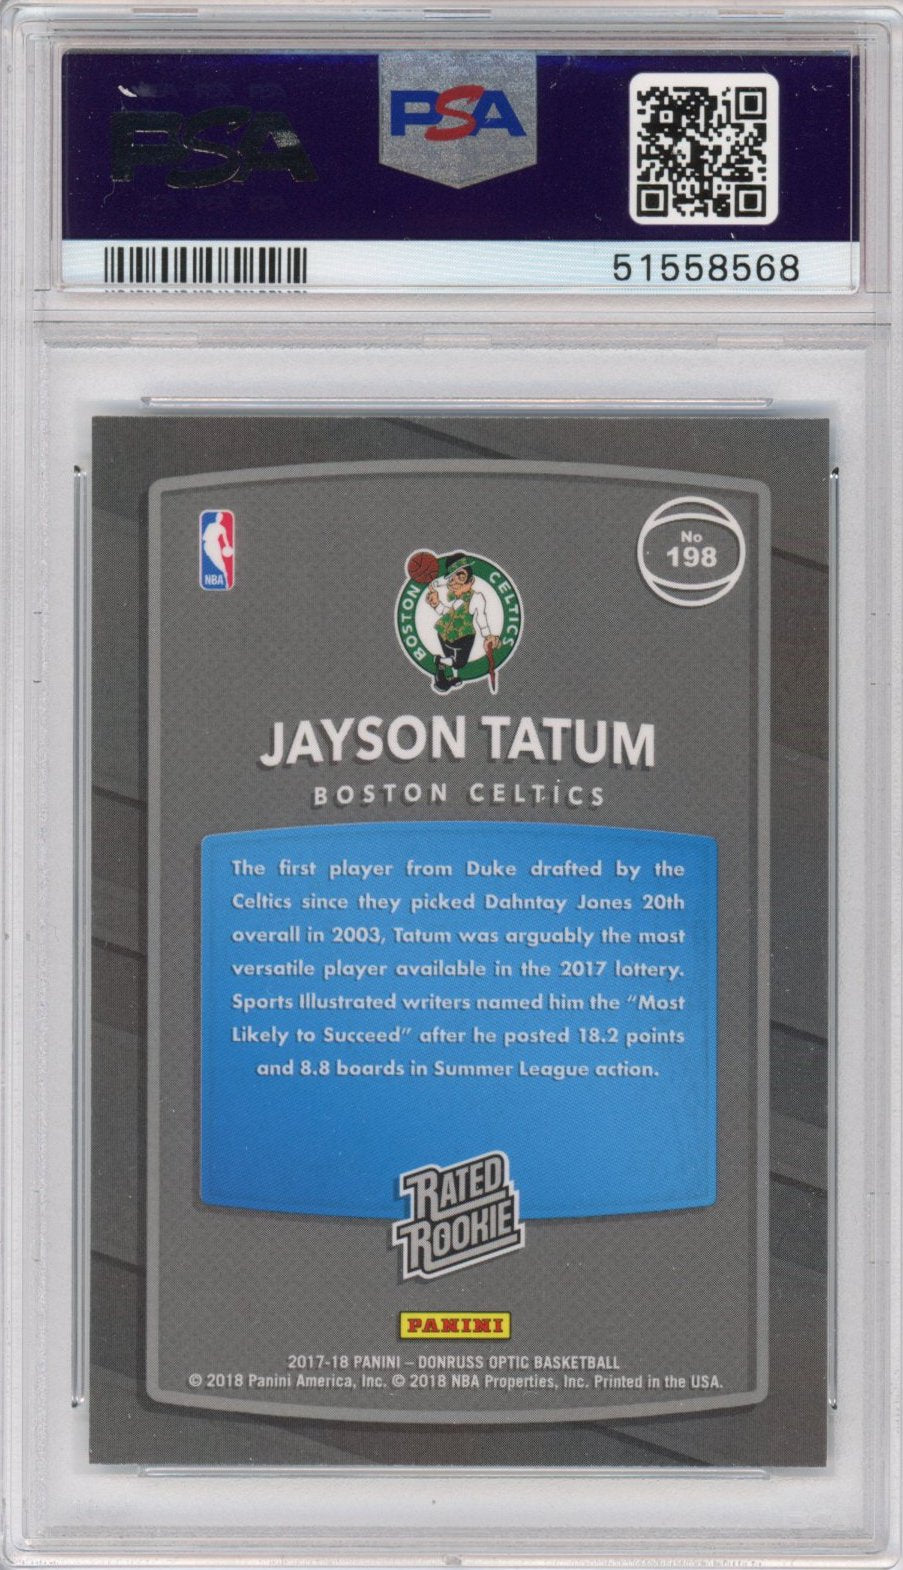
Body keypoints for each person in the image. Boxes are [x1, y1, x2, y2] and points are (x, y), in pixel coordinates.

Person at [426, 553, 500, 693]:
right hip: (447, 634)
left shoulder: (476, 598)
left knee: (456, 661)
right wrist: (436, 604)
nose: (453, 584)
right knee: (457, 662)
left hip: (459, 636)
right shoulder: (456, 600)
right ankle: (442, 665)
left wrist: (487, 636)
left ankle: (448, 671)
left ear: (471, 581)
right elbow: (447, 613)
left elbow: (481, 618)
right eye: (451, 579)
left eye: (460, 577)